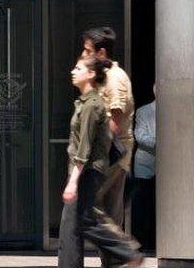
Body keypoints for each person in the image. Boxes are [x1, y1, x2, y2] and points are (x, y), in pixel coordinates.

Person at [58, 54, 143, 268]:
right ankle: (125, 253)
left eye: (78, 69)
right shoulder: (85, 102)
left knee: (86, 221)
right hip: (88, 169)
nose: (73, 72)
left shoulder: (91, 105)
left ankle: (126, 252)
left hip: (88, 170)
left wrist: (72, 181)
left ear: (91, 74)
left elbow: (84, 147)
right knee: (83, 221)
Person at [80, 27, 135, 227]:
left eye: (87, 51)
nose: (83, 55)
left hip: (113, 155)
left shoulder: (115, 79)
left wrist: (98, 152)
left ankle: (121, 252)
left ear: (101, 53)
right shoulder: (105, 77)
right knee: (103, 206)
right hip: (106, 154)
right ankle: (116, 254)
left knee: (101, 207)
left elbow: (116, 120)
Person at [132, 85, 156, 250]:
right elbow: (140, 136)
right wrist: (161, 142)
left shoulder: (177, 111)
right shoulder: (143, 111)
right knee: (142, 204)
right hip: (145, 165)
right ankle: (142, 242)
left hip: (170, 167)